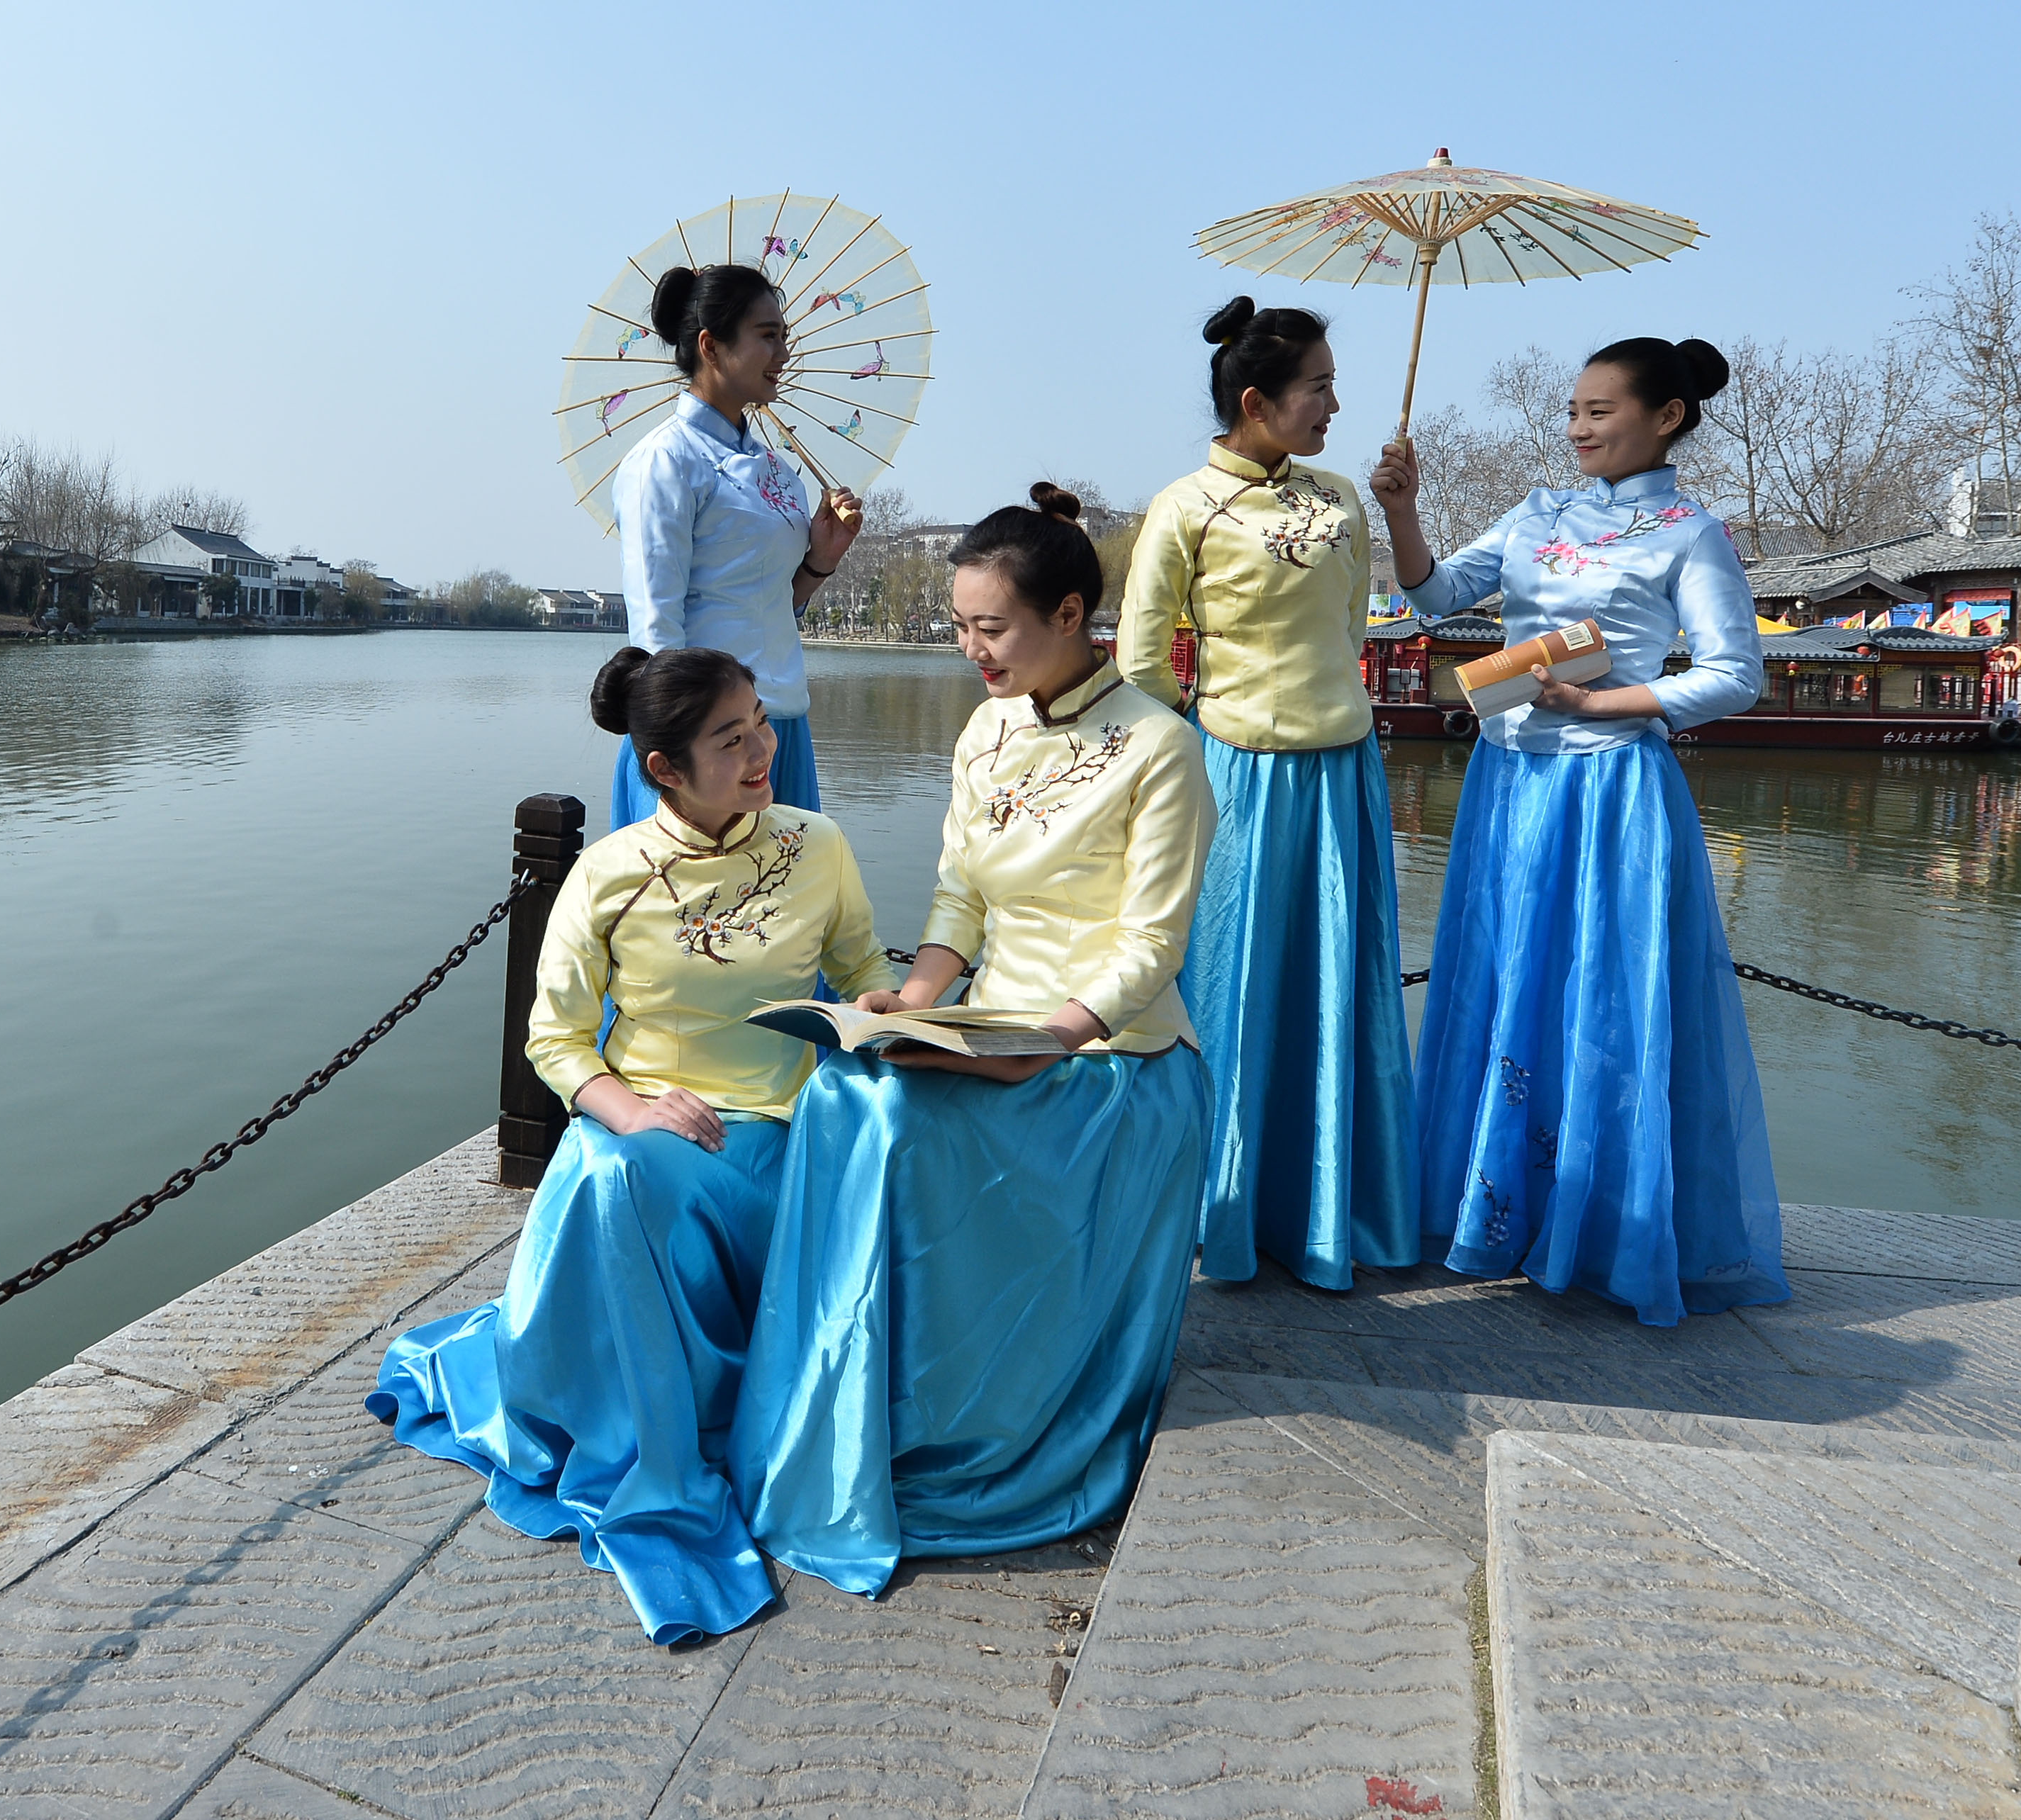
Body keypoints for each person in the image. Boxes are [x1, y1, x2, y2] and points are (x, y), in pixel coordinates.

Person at [732, 487, 1216, 1593]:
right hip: (987, 1021)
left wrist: (1050, 1037)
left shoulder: (1158, 746)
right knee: (847, 1093)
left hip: (1110, 1056)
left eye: (988, 628)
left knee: (899, 1126)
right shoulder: (989, 727)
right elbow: (961, 897)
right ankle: (847, 1411)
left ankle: (960, 1421)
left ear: (1071, 613)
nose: (970, 651)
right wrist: (917, 993)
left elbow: (1152, 942)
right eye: (959, 627)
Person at [371, 644, 897, 1644]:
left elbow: (863, 967)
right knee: (621, 1177)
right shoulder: (608, 873)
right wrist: (630, 1106)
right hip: (646, 1120)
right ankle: (641, 1436)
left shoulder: (817, 844)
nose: (761, 752)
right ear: (663, 767)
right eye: (729, 739)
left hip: (781, 1129)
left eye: (760, 724)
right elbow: (556, 1039)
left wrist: (881, 1005)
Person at [1366, 337, 1787, 1330]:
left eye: (1600, 411)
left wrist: (1606, 706)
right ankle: (1495, 1210)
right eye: (1573, 410)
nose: (1578, 428)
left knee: (1602, 1002)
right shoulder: (1537, 512)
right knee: (1506, 982)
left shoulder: (1691, 533)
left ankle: (1600, 1228)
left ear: (1667, 418)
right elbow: (1434, 596)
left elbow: (1737, 673)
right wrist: (1400, 510)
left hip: (1610, 792)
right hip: (1509, 781)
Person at [1118, 298, 1419, 1289]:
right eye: (1319, 386)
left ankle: (1334, 1210)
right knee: (1233, 987)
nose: (1336, 403)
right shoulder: (1185, 506)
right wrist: (1203, 734)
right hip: (1237, 772)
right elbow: (1138, 659)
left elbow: (1351, 632)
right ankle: (1224, 1208)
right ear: (1257, 400)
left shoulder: (1342, 500)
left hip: (1345, 771)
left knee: (1336, 984)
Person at [613, 262, 864, 829]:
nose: (784, 353)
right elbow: (655, 629)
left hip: (780, 719)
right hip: (704, 737)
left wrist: (821, 559)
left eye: (786, 337)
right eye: (768, 336)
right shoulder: (664, 462)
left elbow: (775, 602)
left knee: (786, 905)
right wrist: (683, 753)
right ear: (712, 346)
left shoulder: (778, 470)